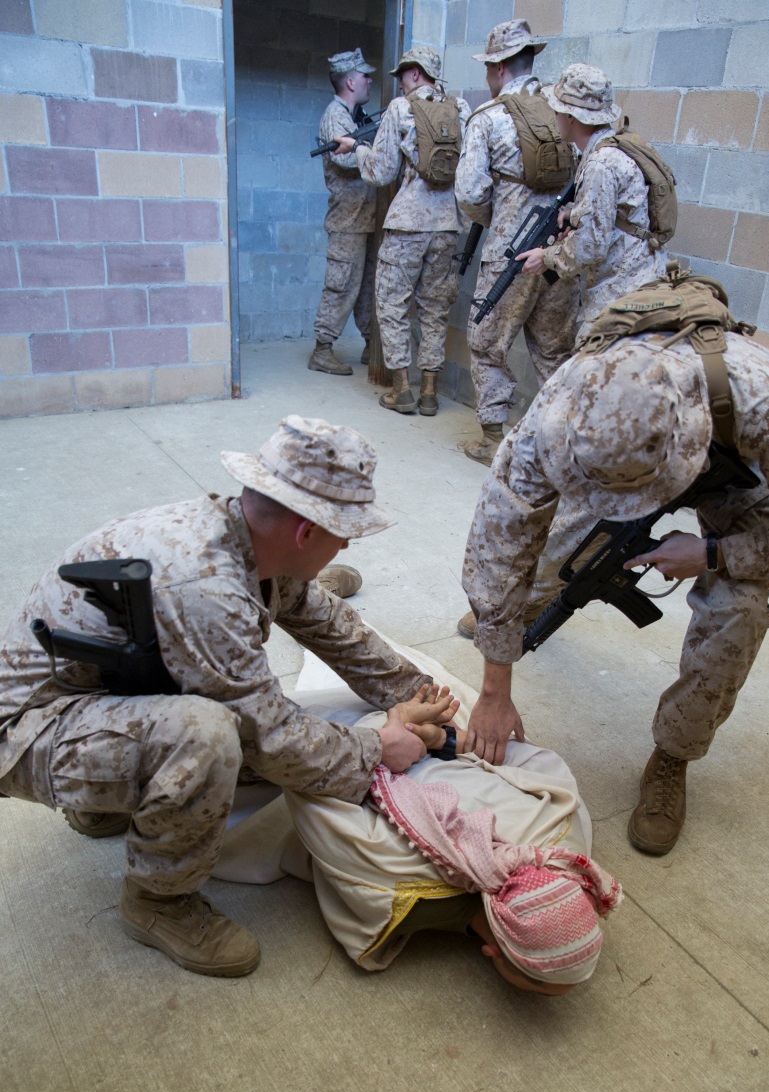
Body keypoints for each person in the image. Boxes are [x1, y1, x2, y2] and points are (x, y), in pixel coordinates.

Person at [0, 417, 459, 977]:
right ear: (305, 532)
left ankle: (102, 804)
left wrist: (422, 696)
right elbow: (269, 735)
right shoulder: (204, 586)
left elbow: (329, 623)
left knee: (244, 728)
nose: (347, 543)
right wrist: (377, 749)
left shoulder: (249, 538)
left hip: (94, 695)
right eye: (345, 531)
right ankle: (158, 901)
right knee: (210, 737)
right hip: (27, 731)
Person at [458, 332, 769, 855]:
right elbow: (499, 543)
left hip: (735, 465)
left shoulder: (766, 410)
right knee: (553, 556)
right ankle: (524, 610)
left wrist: (714, 553)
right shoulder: (556, 419)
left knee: (736, 612)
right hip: (616, 456)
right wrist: (495, 681)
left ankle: (674, 754)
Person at [213, 654, 621, 996]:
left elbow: (528, 756)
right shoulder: (393, 889)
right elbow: (314, 798)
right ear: (492, 952)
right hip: (376, 736)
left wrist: (419, 734)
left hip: (390, 733)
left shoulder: (568, 833)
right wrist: (419, 736)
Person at [454, 20, 578, 464]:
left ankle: (492, 438)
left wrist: (500, 219)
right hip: (558, 252)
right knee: (554, 352)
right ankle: (563, 446)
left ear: (500, 67)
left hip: (510, 253)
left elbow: (469, 192)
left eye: (489, 68)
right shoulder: (563, 111)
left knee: (488, 343)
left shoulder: (488, 118)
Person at [333, 45, 471, 417]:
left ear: (414, 74)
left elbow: (380, 173)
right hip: (448, 225)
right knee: (434, 308)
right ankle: (429, 392)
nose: (399, 84)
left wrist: (358, 149)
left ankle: (401, 391)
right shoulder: (461, 110)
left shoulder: (400, 108)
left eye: (402, 77)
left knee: (392, 305)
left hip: (408, 223)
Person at [516, 63, 668, 329]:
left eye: (557, 110)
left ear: (571, 116)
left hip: (623, 289)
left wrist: (547, 257)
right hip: (636, 277)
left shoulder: (602, 163)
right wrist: (573, 214)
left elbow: (590, 247)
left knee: (589, 354)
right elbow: (615, 213)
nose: (555, 117)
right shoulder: (616, 145)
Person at [308, 49, 379, 377]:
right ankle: (323, 348)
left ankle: (370, 344)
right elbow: (346, 160)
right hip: (348, 218)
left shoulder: (355, 117)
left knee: (366, 286)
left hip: (363, 218)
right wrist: (373, 149)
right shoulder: (337, 116)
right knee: (342, 283)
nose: (369, 80)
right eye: (364, 76)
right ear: (350, 81)